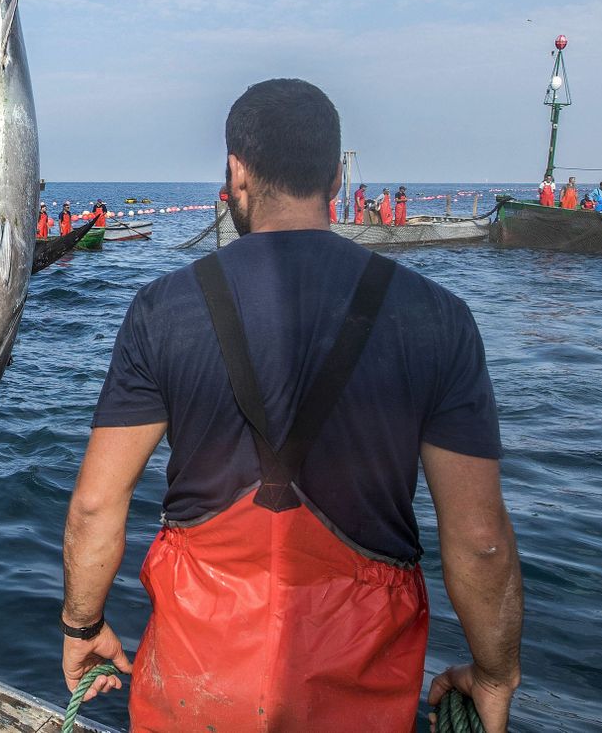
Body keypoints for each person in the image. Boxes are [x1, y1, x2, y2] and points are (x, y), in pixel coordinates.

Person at [60, 79, 522, 733]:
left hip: (195, 689)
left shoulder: (160, 310)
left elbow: (95, 505)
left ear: (236, 174)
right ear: (335, 178)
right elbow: (480, 542)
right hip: (357, 688)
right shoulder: (440, 320)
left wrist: (82, 624)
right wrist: (495, 671)